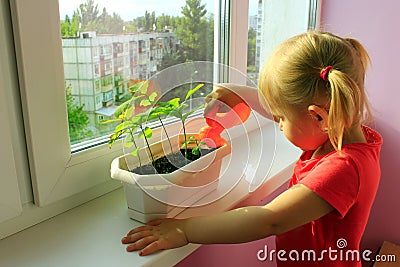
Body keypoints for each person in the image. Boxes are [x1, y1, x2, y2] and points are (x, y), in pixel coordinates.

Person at [121, 31, 382, 266]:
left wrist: (184, 230)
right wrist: (236, 93)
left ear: (318, 118)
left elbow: (270, 219)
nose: (276, 123)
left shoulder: (343, 168)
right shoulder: (343, 137)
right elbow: (293, 108)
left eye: (280, 118)